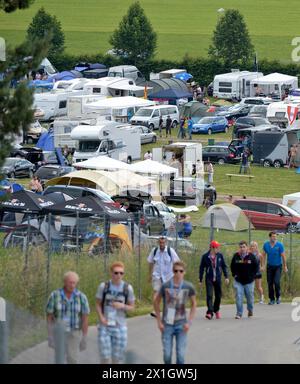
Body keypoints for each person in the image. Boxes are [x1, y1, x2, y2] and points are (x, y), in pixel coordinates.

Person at [154, 261, 197, 365]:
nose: (178, 273)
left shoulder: (188, 286)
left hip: (181, 324)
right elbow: (156, 302)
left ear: (184, 272)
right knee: (167, 355)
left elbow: (194, 304)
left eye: (181, 271)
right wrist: (159, 322)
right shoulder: (166, 285)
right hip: (167, 324)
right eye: (176, 271)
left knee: (181, 356)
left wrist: (189, 322)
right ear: (173, 271)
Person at [46, 271, 90, 364]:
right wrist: (50, 336)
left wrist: (84, 337)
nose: (72, 285)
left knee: (72, 359)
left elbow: (85, 318)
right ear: (65, 282)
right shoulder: (55, 295)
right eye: (70, 282)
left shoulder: (81, 297)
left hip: (74, 332)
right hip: (59, 332)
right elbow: (49, 316)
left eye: (74, 282)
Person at [96, 262, 135, 364]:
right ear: (111, 273)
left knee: (117, 358)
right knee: (105, 356)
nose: (119, 276)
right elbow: (98, 304)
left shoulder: (127, 288)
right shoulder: (103, 287)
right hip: (105, 326)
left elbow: (132, 307)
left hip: (120, 326)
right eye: (116, 273)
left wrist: (123, 306)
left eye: (121, 273)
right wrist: (101, 317)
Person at [148, 237, 180, 318]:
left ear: (165, 243)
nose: (161, 244)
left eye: (163, 243)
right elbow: (151, 263)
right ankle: (156, 310)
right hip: (157, 275)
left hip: (169, 276)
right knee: (156, 292)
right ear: (158, 243)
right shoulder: (154, 251)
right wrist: (150, 274)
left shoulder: (170, 251)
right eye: (160, 243)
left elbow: (177, 262)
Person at [199, 241, 229, 319]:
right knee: (209, 295)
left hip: (218, 278)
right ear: (212, 248)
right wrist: (200, 279)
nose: (218, 249)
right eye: (217, 248)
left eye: (218, 247)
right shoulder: (205, 256)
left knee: (218, 296)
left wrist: (226, 277)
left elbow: (224, 266)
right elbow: (201, 268)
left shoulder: (220, 256)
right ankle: (209, 312)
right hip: (209, 278)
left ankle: (216, 310)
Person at [231, 241, 259, 319]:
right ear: (239, 248)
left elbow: (256, 267)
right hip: (238, 281)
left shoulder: (251, 256)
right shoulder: (236, 256)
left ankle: (250, 310)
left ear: (247, 247)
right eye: (241, 247)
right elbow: (232, 266)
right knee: (239, 296)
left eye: (244, 247)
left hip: (249, 281)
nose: (242, 248)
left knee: (249, 297)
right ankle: (239, 313)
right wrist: (234, 274)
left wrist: (253, 276)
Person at [261, 232, 288, 305]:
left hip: (278, 267)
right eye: (273, 236)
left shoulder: (280, 245)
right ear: (269, 237)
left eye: (275, 236)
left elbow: (283, 256)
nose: (275, 238)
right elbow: (263, 256)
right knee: (270, 283)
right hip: (269, 266)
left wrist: (285, 266)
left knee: (276, 282)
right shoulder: (266, 245)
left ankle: (278, 297)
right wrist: (263, 265)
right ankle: (272, 299)